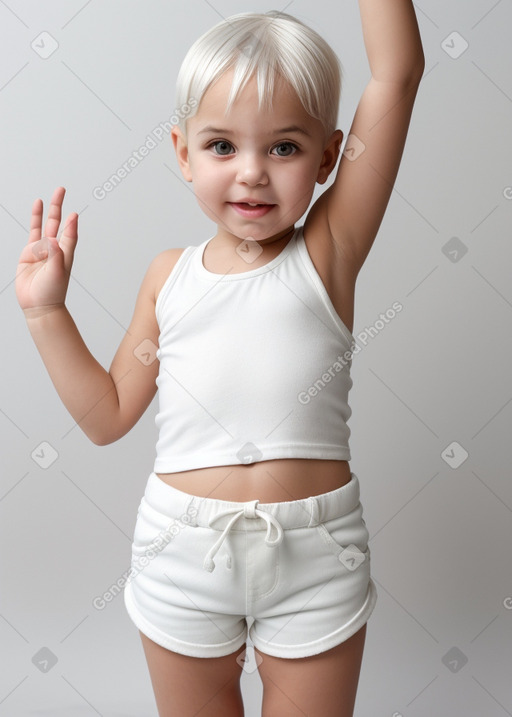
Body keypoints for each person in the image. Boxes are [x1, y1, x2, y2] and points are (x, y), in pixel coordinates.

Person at [15, 4, 424, 716]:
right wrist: (46, 313)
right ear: (182, 153)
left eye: (285, 148)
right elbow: (107, 416)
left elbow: (398, 73)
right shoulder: (168, 276)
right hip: (181, 553)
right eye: (222, 146)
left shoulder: (328, 251)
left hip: (316, 554)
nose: (253, 174)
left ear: (330, 157)